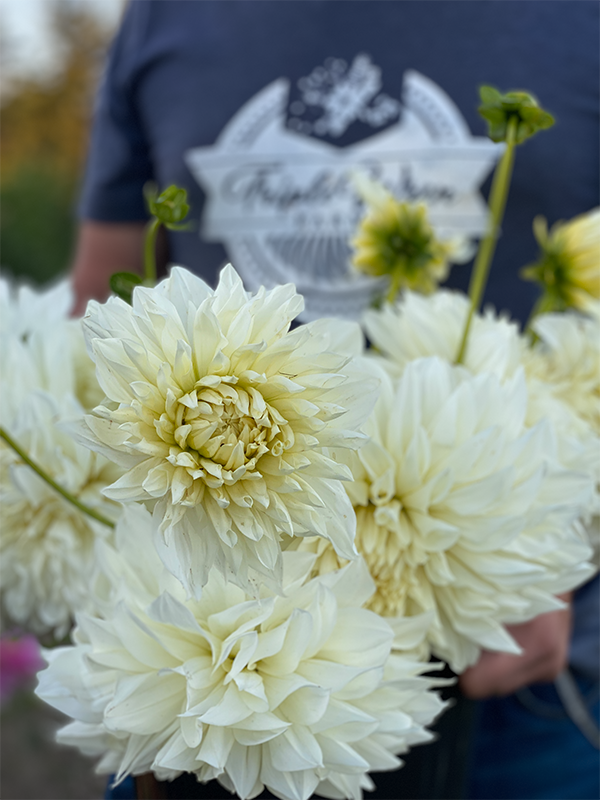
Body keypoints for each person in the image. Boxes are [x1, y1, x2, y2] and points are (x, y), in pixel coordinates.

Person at [71, 1, 600, 798]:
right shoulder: (166, 17)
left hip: (521, 679)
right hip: (215, 681)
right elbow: (98, 311)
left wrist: (546, 547)